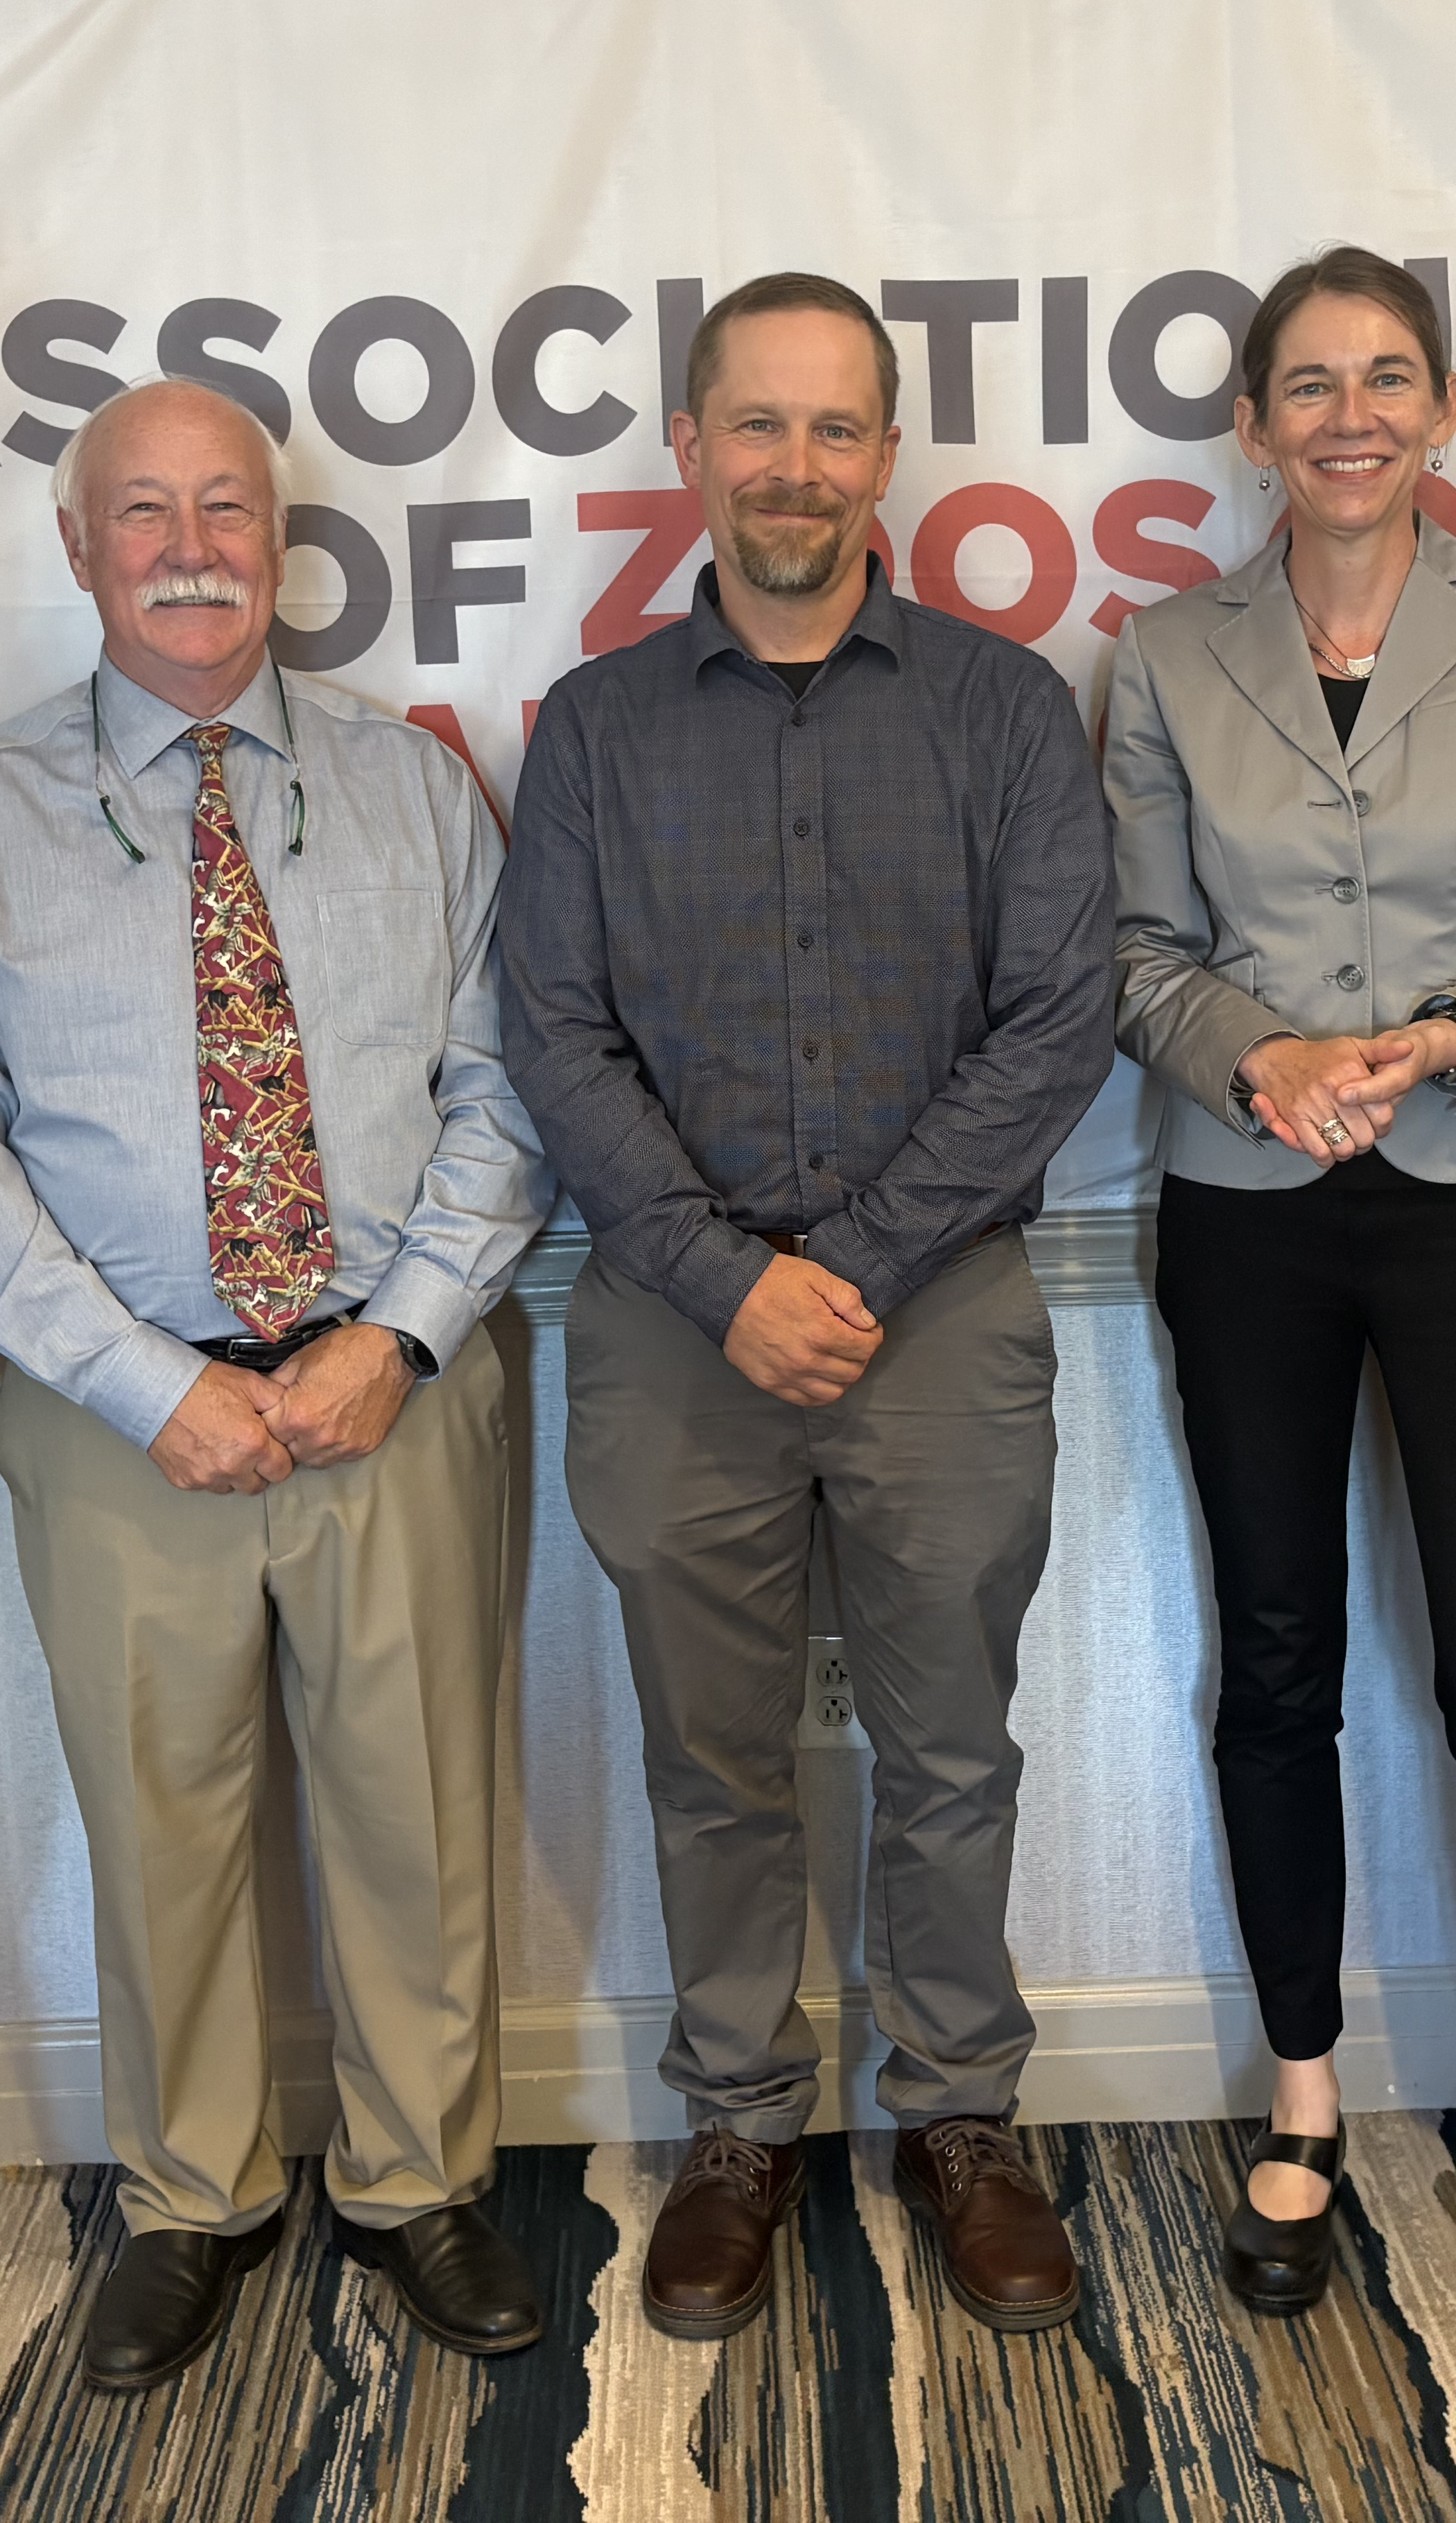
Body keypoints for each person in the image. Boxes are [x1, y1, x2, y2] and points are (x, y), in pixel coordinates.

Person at [0, 378, 554, 2390]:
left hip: (393, 1393)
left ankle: (420, 2182)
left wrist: (398, 1333)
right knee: (159, 1817)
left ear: (280, 539)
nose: (192, 548)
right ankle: (194, 2198)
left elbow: (509, 1087)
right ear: (78, 548)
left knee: (418, 1805)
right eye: (145, 513)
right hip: (120, 1424)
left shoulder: (414, 789)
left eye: (228, 508)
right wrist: (138, 1382)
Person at [495, 275, 1119, 2339]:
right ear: (690, 448)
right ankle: (741, 2118)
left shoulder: (1004, 709)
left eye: (834, 428)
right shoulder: (593, 729)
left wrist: (843, 1266)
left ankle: (961, 2111)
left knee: (951, 1748)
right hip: (673, 1324)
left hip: (940, 1312)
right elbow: (556, 1033)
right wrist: (723, 1275)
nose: (794, 467)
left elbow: (1058, 1019)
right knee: (713, 1753)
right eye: (756, 425)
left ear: (887, 456)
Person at [1101, 247, 1456, 2337]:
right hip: (1248, 1200)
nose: (1350, 415)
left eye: (1389, 378)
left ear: (1442, 413)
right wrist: (1261, 1054)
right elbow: (1138, 950)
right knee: (1275, 1655)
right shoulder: (1165, 650)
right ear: (1253, 427)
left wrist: (1435, 1037)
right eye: (1309, 385)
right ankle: (1305, 2089)